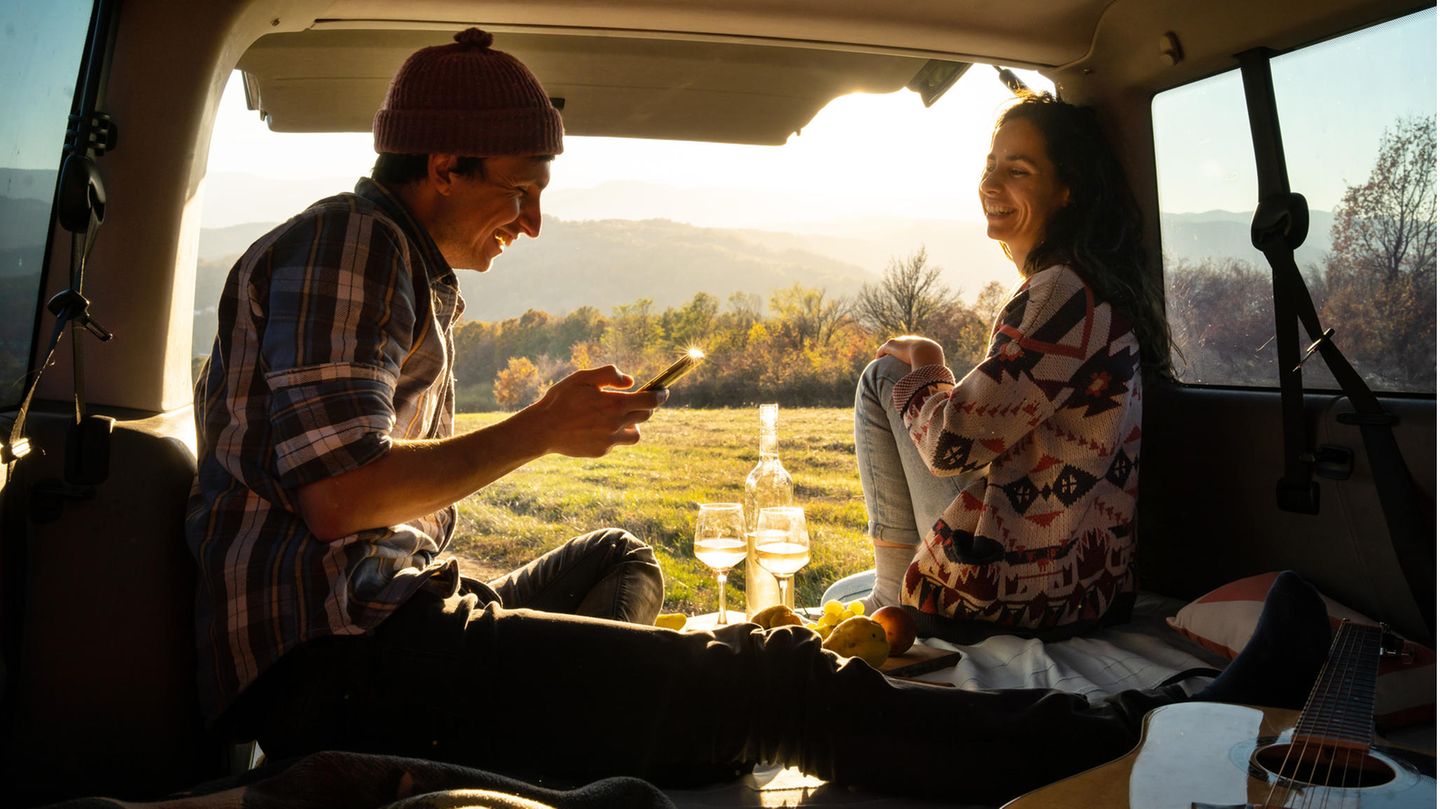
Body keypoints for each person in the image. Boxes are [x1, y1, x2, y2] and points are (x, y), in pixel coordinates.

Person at [187, 31, 1334, 806]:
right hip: (342, 661)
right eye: (519, 189)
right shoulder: (355, 246)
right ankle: (1138, 731)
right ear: (443, 163)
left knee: (626, 563)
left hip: (395, 628)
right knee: (776, 686)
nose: (529, 225)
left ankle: (636, 723)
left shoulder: (406, 268)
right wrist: (540, 427)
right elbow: (339, 496)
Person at [852, 92, 1171, 641]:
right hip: (1092, 588)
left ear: (1067, 190)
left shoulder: (1061, 296)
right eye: (990, 166)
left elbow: (951, 445)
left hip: (1018, 592)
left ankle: (891, 600)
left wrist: (927, 361)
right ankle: (897, 596)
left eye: (1017, 170)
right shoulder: (1091, 293)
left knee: (883, 377)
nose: (991, 185)